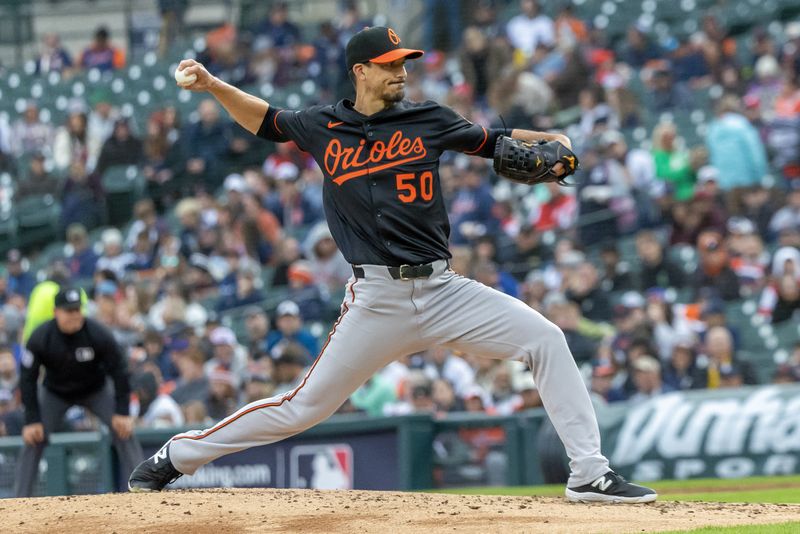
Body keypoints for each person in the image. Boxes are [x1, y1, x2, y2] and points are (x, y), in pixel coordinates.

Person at [129, 26, 656, 503]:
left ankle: (589, 473)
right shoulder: (323, 125)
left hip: (443, 289)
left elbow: (496, 143)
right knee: (302, 408)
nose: (402, 70)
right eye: (391, 63)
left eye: (404, 61)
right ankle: (177, 456)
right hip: (376, 300)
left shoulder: (430, 119)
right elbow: (267, 121)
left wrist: (551, 142)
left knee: (547, 340)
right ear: (362, 71)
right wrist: (215, 85)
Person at [15, 287, 143, 497]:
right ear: (56, 312)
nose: (75, 315)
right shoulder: (41, 337)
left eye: (77, 310)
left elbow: (120, 371)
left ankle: (142, 487)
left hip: (95, 389)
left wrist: (122, 411)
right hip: (56, 392)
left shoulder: (98, 333)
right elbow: (27, 379)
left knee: (123, 430)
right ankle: (19, 501)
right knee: (33, 437)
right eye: (69, 311)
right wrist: (31, 419)